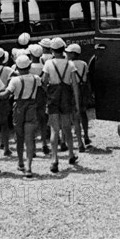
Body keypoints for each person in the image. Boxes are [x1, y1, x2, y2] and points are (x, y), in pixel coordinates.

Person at [0, 55, 41, 177]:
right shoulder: (36, 78)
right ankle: (29, 166)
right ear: (29, 66)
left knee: (19, 137)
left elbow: (5, 95)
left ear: (17, 68)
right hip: (31, 106)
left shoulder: (15, 80)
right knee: (30, 138)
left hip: (19, 107)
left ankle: (20, 163)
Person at [42, 38, 81, 173]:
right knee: (66, 127)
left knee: (54, 129)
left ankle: (54, 159)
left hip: (53, 97)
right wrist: (76, 103)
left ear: (52, 50)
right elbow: (75, 85)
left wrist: (49, 92)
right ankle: (71, 154)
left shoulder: (48, 63)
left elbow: (44, 81)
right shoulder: (70, 64)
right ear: (63, 49)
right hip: (66, 97)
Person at [65, 43, 91, 150]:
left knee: (74, 115)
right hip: (83, 88)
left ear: (73, 54)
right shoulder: (84, 64)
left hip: (73, 89)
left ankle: (79, 141)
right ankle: (86, 135)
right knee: (83, 113)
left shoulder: (69, 64)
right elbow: (87, 78)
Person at [0, 47, 15, 157]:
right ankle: (6, 147)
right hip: (4, 99)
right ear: (3, 58)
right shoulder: (8, 70)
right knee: (4, 124)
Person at [28, 44, 50, 155]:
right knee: (42, 120)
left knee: (31, 121)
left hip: (31, 95)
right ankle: (44, 144)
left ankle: (33, 148)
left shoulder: (28, 68)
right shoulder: (44, 67)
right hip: (41, 95)